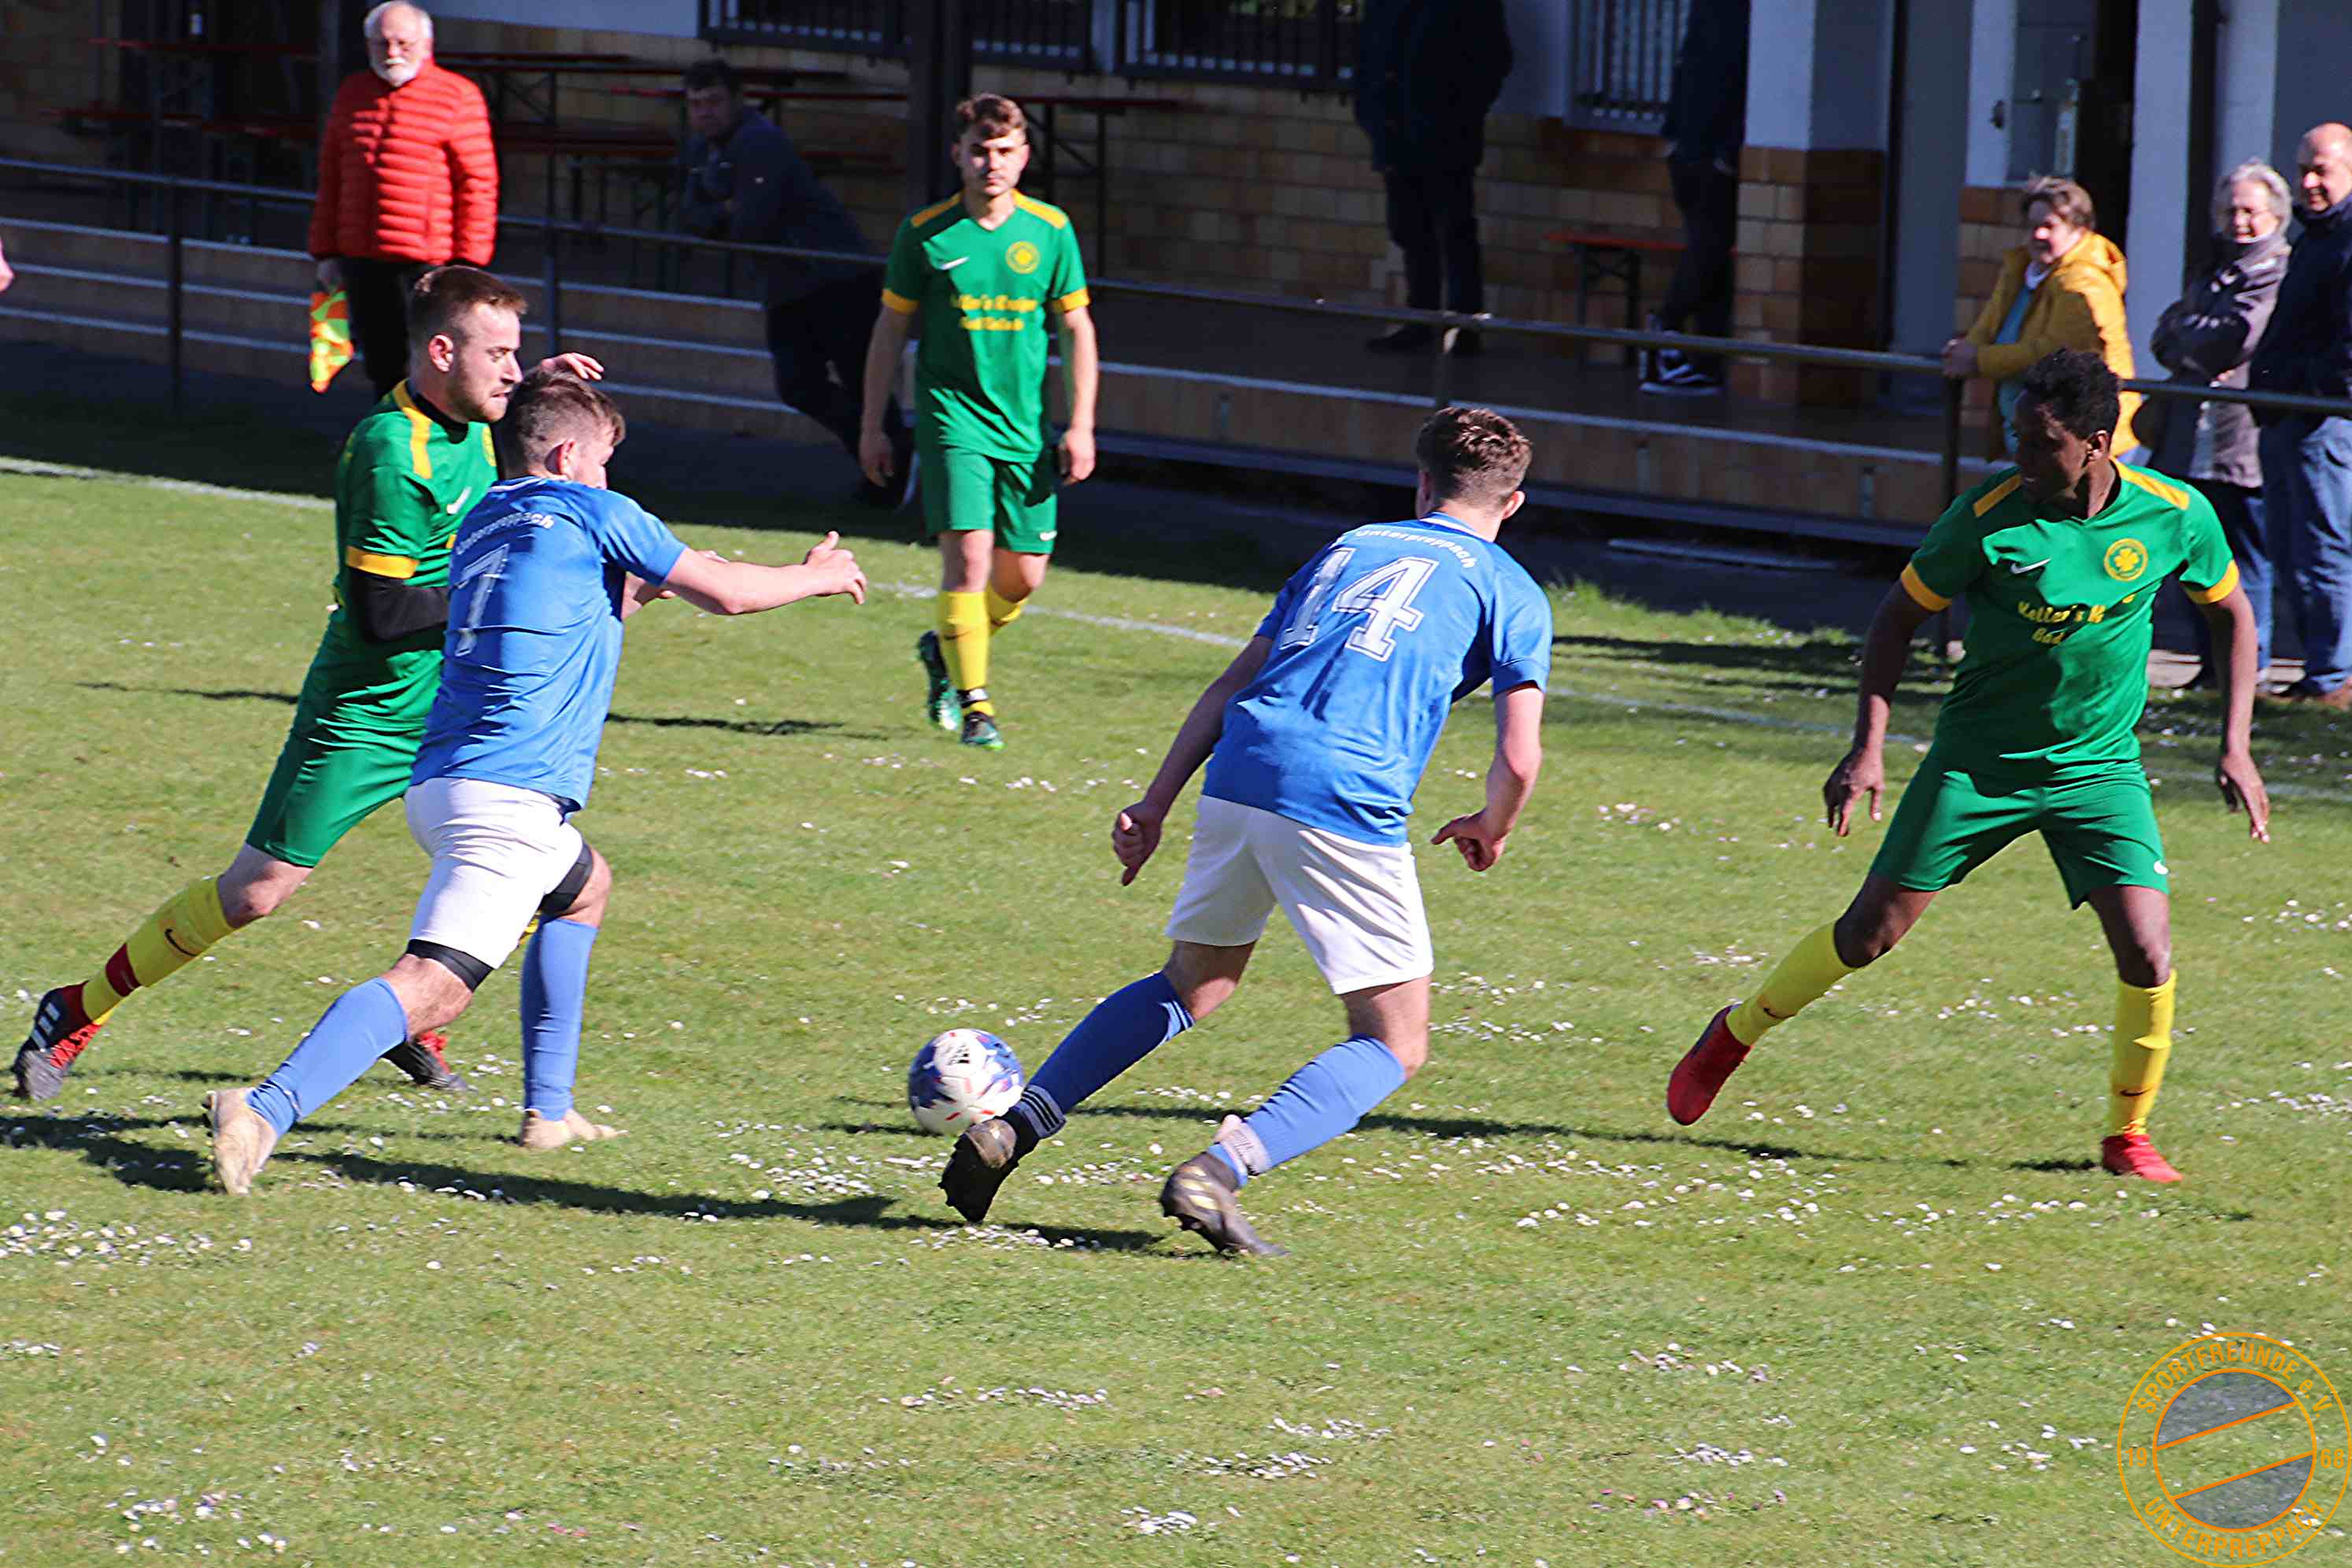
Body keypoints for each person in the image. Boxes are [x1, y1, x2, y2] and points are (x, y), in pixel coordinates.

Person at [204, 371, 868, 1194]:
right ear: (565, 457)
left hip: (444, 782)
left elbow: (590, 603)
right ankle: (264, 1107)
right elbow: (728, 595)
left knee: (584, 888)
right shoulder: (595, 511)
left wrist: (664, 579)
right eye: (603, 460)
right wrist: (815, 574)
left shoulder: (486, 519)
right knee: (433, 990)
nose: (609, 477)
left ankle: (549, 1114)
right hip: (508, 797)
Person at [937, 405, 1551, 1255]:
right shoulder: (1511, 590)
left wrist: (1155, 801)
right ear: (1512, 504)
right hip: (1344, 795)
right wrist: (1493, 822)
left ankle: (1016, 1125)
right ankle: (1219, 1171)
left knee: (1195, 982)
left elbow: (1233, 682)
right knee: (1395, 1042)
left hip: (1242, 768)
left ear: (1422, 484)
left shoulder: (1348, 547)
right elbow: (1519, 758)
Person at [1668, 350, 2269, 1186]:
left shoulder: (2174, 514)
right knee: (1868, 936)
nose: (2019, 456)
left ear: (2097, 442)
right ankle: (1735, 1033)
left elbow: (2233, 616)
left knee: (2148, 951)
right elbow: (1895, 620)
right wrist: (1868, 746)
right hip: (1979, 766)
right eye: (2014, 436)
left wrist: (2235, 744)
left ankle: (2126, 1136)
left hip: (2099, 769)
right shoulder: (1985, 518)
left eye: (2040, 443)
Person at [13, 267, 601, 1104]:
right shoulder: (390, 452)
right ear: (442, 353)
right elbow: (382, 614)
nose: (512, 370)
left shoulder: (475, 417)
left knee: (527, 866)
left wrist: (539, 386)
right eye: (498, 355)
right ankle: (75, 1009)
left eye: (517, 354)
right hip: (370, 713)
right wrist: (504, 592)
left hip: (461, 708)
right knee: (255, 893)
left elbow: (514, 439)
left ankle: (418, 1014)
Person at [859, 94, 1098, 753]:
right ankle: (976, 708)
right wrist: (873, 423)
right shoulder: (926, 233)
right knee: (968, 559)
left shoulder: (1050, 231)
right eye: (979, 151)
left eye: (1003, 151)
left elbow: (1077, 329)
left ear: (1024, 157)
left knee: (1023, 577)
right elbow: (890, 329)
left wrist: (1081, 424)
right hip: (951, 420)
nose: (991, 164)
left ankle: (946, 647)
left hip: (1024, 427)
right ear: (957, 156)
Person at [677, 57, 911, 508]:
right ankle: (890, 458)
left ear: (738, 100)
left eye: (714, 102)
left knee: (859, 380)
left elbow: (753, 221)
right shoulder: (702, 150)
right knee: (798, 384)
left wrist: (722, 212)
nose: (705, 113)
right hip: (787, 284)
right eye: (696, 104)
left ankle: (890, 473)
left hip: (836, 276)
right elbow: (688, 215)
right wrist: (723, 210)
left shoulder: (760, 141)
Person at [2147, 161, 2291, 685]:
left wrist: (2192, 335)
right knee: (2195, 557)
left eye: (2251, 211)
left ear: (2276, 215)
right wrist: (2194, 337)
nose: (2240, 222)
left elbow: (2233, 339)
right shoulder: (2212, 268)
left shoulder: (2278, 272)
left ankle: (2249, 669)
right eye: (2230, 210)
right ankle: (2211, 667)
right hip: (2191, 439)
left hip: (2241, 442)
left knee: (2244, 560)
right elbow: (2163, 335)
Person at [310, 2, 497, 400]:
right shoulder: (353, 93)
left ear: (426, 44)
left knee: (430, 365)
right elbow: (331, 176)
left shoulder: (457, 96)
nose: (392, 53)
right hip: (362, 257)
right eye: (382, 43)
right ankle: (390, 432)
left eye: (403, 43)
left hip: (428, 262)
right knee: (381, 363)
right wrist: (325, 251)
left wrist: (468, 264)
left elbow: (477, 183)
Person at [2249, 122, 2352, 708]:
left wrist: (2305, 391)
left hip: (2323, 417)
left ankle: (2333, 674)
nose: (2309, 183)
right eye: (2303, 170)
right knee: (2291, 548)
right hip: (2289, 413)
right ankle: (2321, 669)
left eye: (2322, 171)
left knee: (2323, 548)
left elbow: (2346, 346)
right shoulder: (2317, 237)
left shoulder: (2344, 239)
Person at [1356, 0, 1512, 357]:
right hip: (1396, 134)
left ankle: (1464, 329)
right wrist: (1371, 114)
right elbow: (1369, 56)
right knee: (1409, 230)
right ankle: (1420, 321)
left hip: (1447, 136)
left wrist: (1459, 112)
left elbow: (1493, 59)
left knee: (1455, 232)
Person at [1944, 176, 2139, 458]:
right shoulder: (2024, 268)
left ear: (2079, 229)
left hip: (2083, 442)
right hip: (2038, 436)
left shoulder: (2085, 281)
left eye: (2049, 226)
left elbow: (2057, 353)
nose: (2038, 235)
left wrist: (1978, 360)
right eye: (2032, 225)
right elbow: (1990, 324)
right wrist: (1964, 351)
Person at [1642, 0, 1749, 398]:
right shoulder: (1720, 12)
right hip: (1699, 150)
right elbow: (1692, 69)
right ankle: (1671, 326)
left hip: (1704, 148)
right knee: (1710, 248)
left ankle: (1705, 362)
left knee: (1712, 253)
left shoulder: (1732, 14)